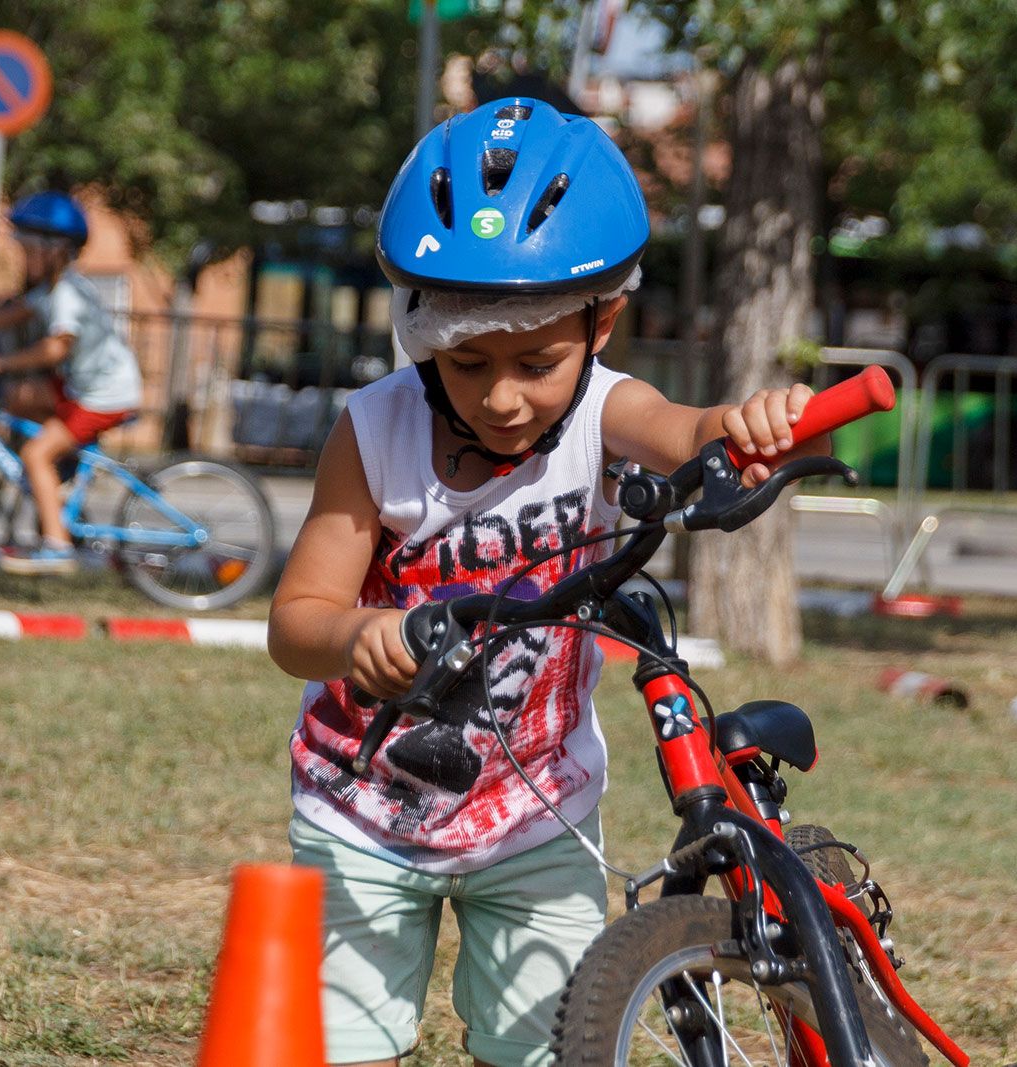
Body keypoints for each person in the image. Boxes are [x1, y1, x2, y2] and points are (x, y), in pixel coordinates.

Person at [267, 98, 825, 1067]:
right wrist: (355, 637)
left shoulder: (609, 412)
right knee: (340, 1045)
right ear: (420, 331)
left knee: (546, 1049)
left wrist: (749, 422)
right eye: (467, 360)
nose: (502, 395)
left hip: (537, 817)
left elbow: (690, 431)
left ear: (602, 321)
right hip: (361, 816)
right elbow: (293, 620)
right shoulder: (373, 433)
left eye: (537, 360)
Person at [0, 192, 143, 575]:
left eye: (28, 248)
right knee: (19, 398)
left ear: (54, 251)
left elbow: (55, 349)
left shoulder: (66, 295)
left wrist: (1, 363)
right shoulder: (52, 290)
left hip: (103, 395)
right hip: (83, 388)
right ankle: (59, 482)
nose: (22, 256)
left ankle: (57, 544)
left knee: (35, 454)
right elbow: (12, 314)